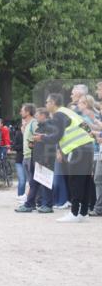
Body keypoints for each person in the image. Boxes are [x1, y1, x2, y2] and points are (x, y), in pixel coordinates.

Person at [39, 93, 95, 222]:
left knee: (75, 181)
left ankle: (74, 213)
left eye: (47, 102)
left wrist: (41, 138)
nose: (46, 104)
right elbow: (86, 127)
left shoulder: (59, 114)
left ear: (53, 103)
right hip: (88, 147)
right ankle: (83, 213)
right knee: (85, 180)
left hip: (77, 149)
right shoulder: (70, 112)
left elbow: (56, 137)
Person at [16, 107, 55, 213]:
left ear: (43, 115)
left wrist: (45, 159)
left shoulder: (49, 127)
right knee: (34, 183)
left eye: (37, 114)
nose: (35, 116)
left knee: (45, 183)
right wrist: (33, 144)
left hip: (44, 159)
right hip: (36, 158)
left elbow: (51, 143)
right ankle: (30, 204)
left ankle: (47, 205)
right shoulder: (40, 126)